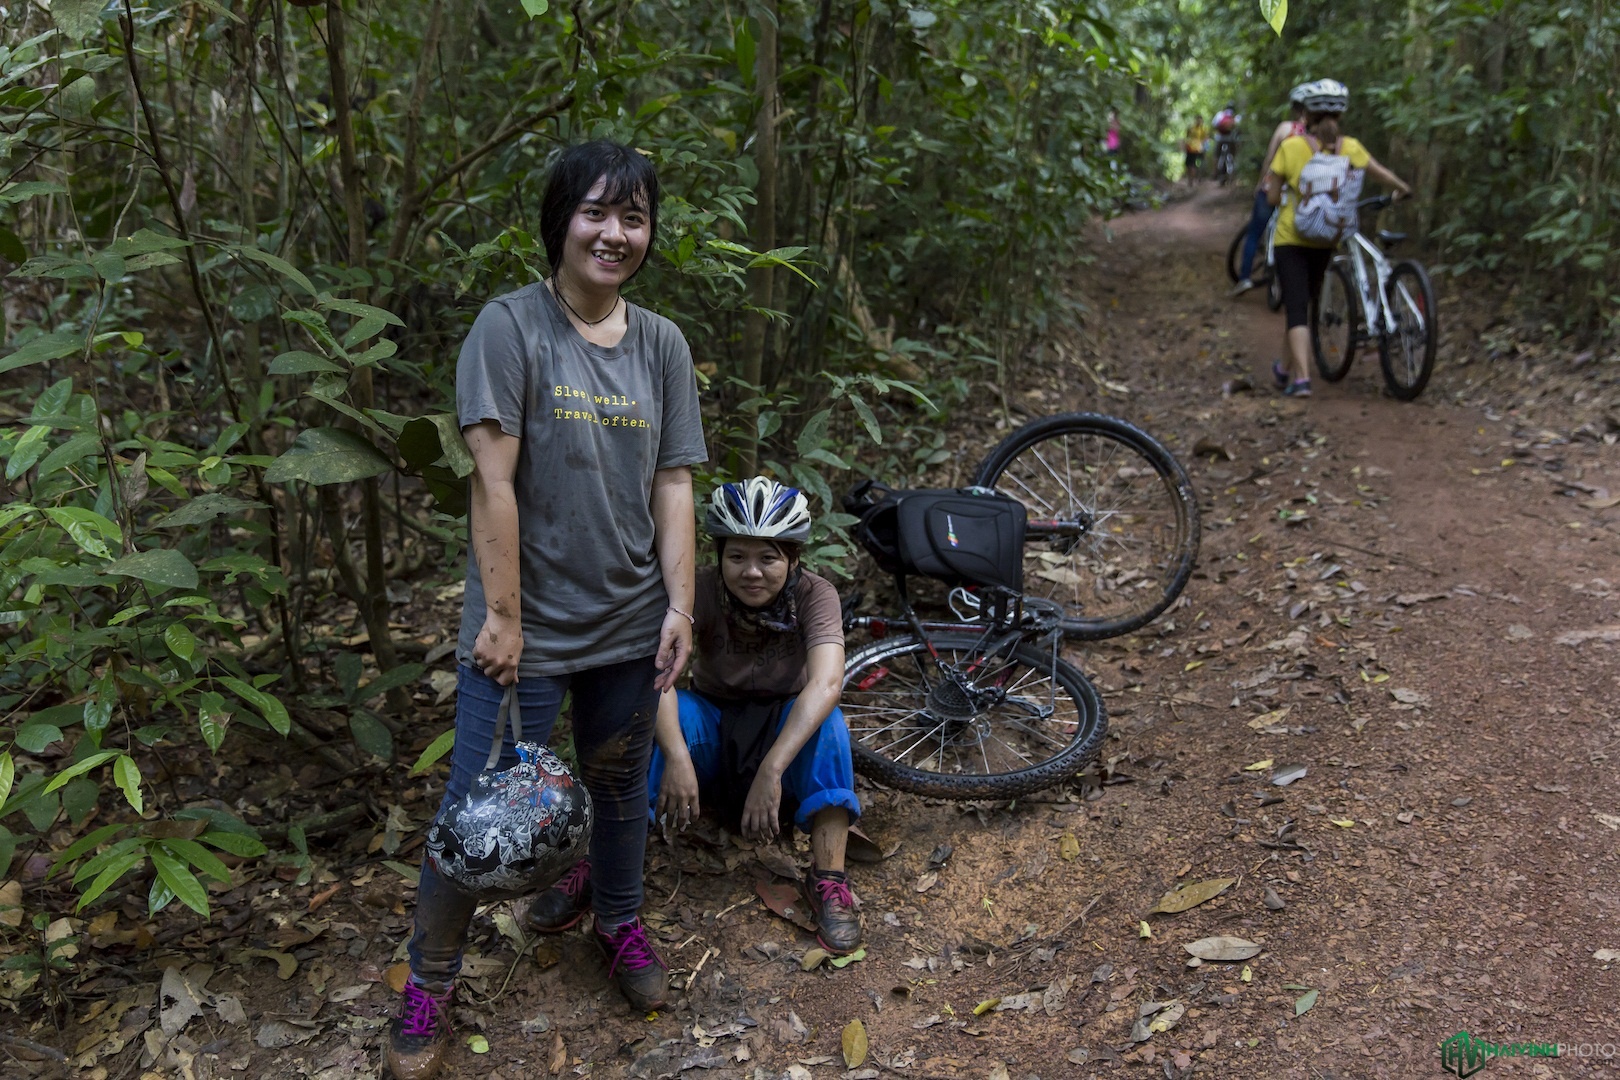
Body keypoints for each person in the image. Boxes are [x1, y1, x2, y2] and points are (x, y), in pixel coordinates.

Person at [386, 140, 707, 1080]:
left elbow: (676, 484)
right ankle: (431, 982)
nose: (616, 234)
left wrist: (680, 606)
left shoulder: (661, 344)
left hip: (627, 623)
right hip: (520, 627)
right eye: (596, 213)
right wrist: (503, 616)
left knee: (617, 787)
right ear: (560, 221)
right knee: (471, 811)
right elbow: (494, 482)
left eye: (635, 217)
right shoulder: (510, 327)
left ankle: (616, 923)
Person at [652, 477, 862, 953]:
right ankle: (608, 867)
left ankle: (828, 878)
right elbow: (659, 676)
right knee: (669, 718)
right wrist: (677, 755)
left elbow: (827, 681)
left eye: (768, 558)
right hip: (714, 722)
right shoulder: (699, 590)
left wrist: (772, 768)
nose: (752, 572)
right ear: (718, 555)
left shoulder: (814, 594)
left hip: (782, 728)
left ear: (791, 559)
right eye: (737, 557)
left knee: (829, 724)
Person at [1264, 80, 1412, 398]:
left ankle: (1302, 379)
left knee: (1295, 308)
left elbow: (1273, 197)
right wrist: (1402, 187)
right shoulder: (1351, 148)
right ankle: (1283, 368)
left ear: (1307, 116)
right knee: (1302, 304)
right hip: (1327, 239)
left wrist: (1286, 191)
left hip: (1292, 238)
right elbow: (1380, 172)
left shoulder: (1292, 147)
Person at [1231, 84, 1310, 297]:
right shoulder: (1317, 137)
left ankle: (1245, 277)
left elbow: (1269, 158)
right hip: (1299, 193)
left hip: (1272, 187)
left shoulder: (1286, 129)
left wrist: (1260, 183)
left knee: (1255, 232)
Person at [1183, 116, 1208, 181]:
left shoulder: (1203, 130)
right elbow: (1187, 137)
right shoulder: (1191, 128)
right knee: (1190, 165)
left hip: (1198, 149)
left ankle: (1193, 179)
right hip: (1191, 148)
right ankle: (1191, 179)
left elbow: (1205, 139)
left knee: (1193, 165)